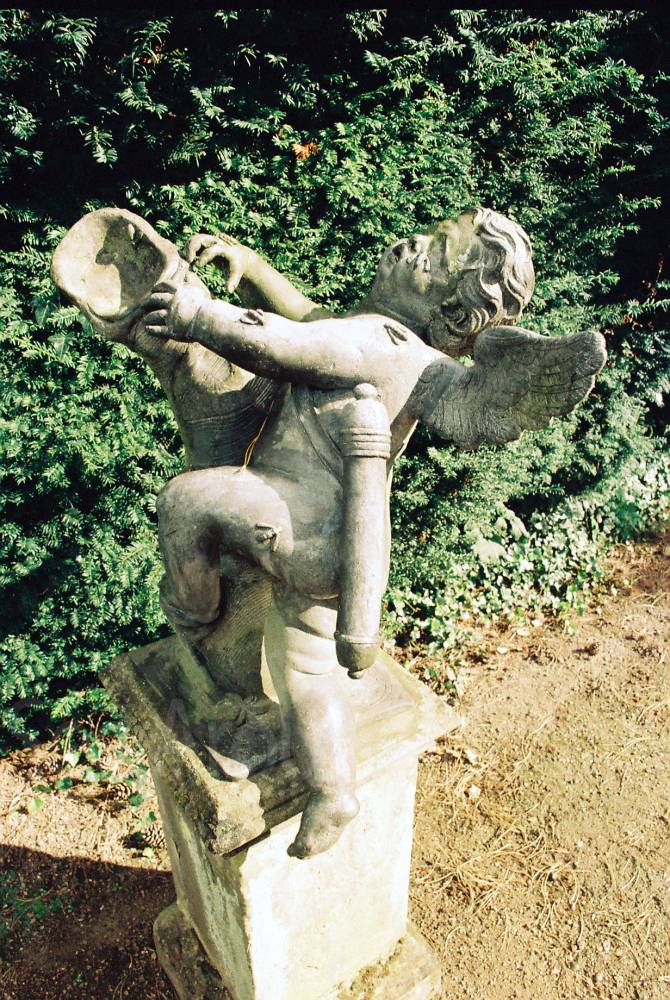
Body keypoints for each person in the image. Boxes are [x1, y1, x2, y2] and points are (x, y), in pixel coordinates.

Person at [142, 208, 603, 857]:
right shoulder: (406, 354)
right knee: (306, 670)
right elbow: (306, 316)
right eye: (430, 235)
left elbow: (284, 341)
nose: (412, 242)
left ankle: (194, 610)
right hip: (336, 548)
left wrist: (196, 315)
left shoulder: (382, 343)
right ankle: (333, 789)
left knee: (186, 500)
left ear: (452, 311)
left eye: (435, 252)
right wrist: (252, 267)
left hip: (296, 517)